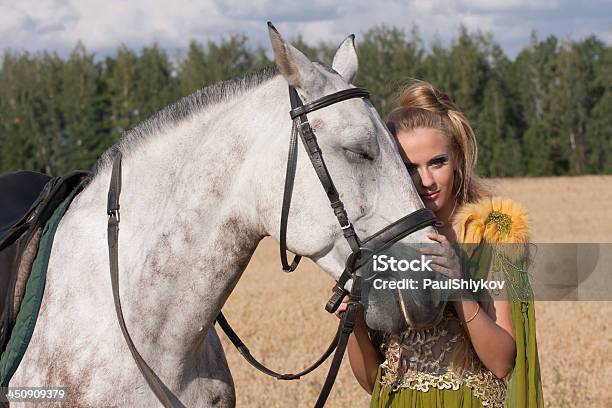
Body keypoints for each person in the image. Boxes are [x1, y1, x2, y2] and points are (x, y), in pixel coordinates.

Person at [336, 80, 544, 407]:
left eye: (437, 162)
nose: (426, 181)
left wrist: (458, 287)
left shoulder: (493, 233)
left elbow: (503, 363)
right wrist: (355, 325)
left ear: (458, 158)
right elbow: (374, 382)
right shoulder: (381, 243)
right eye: (409, 168)